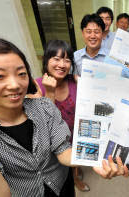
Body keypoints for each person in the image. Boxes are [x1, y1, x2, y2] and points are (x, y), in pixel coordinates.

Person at [0, 37, 129, 196]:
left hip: (62, 187)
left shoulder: (44, 107)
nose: (15, 84)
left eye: (21, 73)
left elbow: (63, 149)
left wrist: (97, 161)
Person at [33, 40, 90, 192]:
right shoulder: (37, 85)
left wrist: (85, 85)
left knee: (74, 161)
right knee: (58, 166)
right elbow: (45, 122)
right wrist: (50, 92)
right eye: (56, 59)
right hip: (54, 138)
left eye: (67, 60)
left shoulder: (75, 81)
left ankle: (76, 177)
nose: (62, 64)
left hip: (75, 131)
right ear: (47, 60)